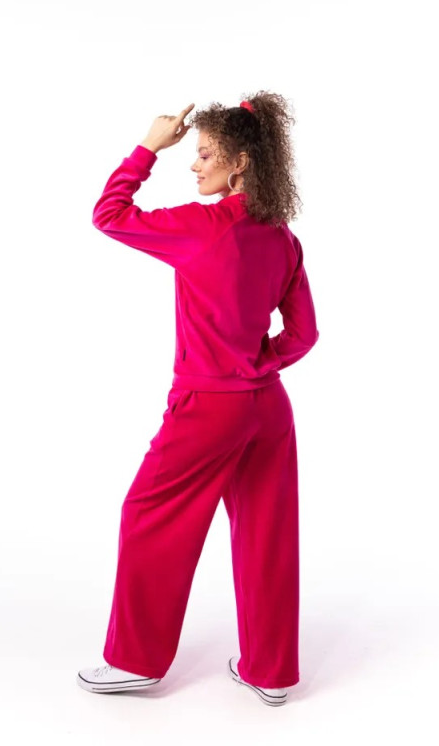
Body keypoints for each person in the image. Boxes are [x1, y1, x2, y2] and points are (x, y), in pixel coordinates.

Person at [77, 93, 318, 707]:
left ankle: (134, 661)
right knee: (266, 536)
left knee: (147, 517)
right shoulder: (282, 238)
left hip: (209, 405)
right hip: (268, 409)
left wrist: (149, 147)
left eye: (205, 154)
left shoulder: (203, 227)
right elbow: (303, 334)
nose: (194, 163)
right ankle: (270, 672)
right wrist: (259, 364)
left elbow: (110, 214)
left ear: (240, 162)